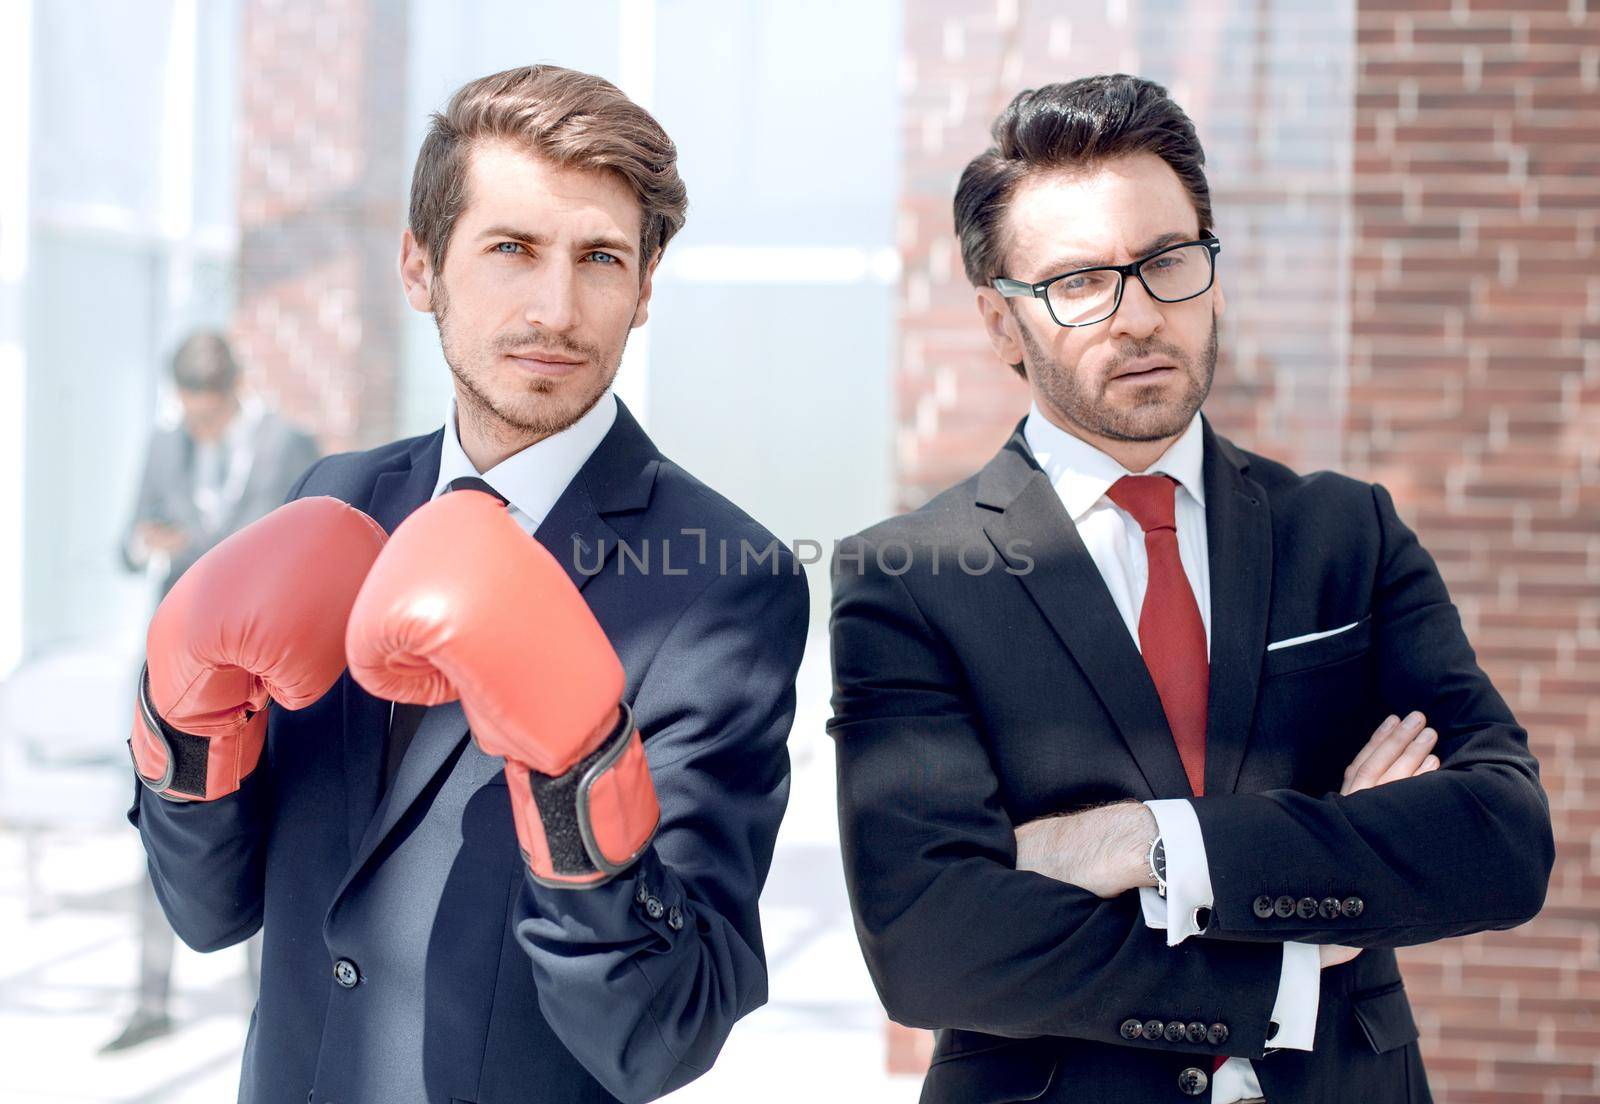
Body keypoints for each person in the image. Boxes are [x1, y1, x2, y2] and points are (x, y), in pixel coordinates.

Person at [828, 74, 1552, 1104]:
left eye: (1166, 263)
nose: (1136, 318)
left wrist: (1147, 844)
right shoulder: (909, 579)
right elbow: (928, 941)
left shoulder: (1346, 535)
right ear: (1000, 324)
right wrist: (1301, 939)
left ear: (1211, 274)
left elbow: (1498, 842)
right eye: (1078, 282)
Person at [125, 65, 808, 1103]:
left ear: (645, 287)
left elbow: (661, 1037)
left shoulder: (723, 582)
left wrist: (583, 782)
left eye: (600, 259)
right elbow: (209, 911)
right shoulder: (337, 500)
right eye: (512, 249)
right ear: (418, 263)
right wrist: (181, 730)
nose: (556, 307)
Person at [107, 329, 318, 1052]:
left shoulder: (290, 445)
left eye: (207, 409)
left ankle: (268, 1012)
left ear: (232, 390)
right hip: (178, 673)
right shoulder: (165, 445)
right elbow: (127, 545)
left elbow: (304, 550)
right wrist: (147, 541)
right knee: (164, 823)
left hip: (266, 681)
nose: (197, 422)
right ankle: (149, 999)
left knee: (267, 833)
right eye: (188, 409)